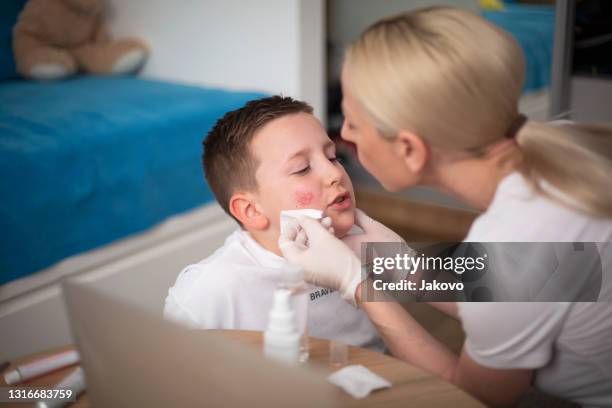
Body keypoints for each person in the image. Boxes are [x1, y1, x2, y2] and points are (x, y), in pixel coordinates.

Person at [279, 7, 612, 407]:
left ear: (409, 149)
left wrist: (360, 288)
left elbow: (472, 396)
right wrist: (402, 267)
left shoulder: (518, 238)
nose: (343, 135)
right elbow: (534, 285)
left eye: (351, 121)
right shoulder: (562, 145)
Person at [163, 96, 383, 351]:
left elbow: (439, 286)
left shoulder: (362, 238)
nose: (335, 174)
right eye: (302, 169)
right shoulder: (210, 293)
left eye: (333, 157)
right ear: (251, 210)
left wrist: (405, 259)